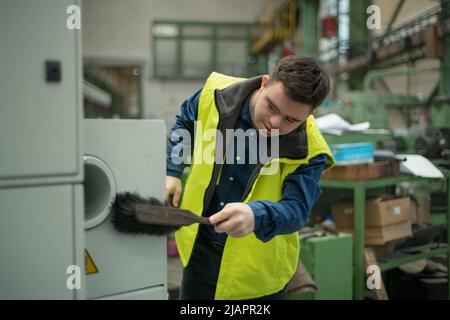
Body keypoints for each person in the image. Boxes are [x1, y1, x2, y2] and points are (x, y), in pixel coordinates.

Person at [166, 56, 334, 300]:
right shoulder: (215, 94)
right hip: (198, 252)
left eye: (291, 120)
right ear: (264, 83)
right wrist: (172, 170)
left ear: (309, 115)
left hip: (258, 274)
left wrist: (257, 215)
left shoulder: (310, 149)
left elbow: (297, 210)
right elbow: (185, 121)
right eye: (272, 107)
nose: (274, 123)